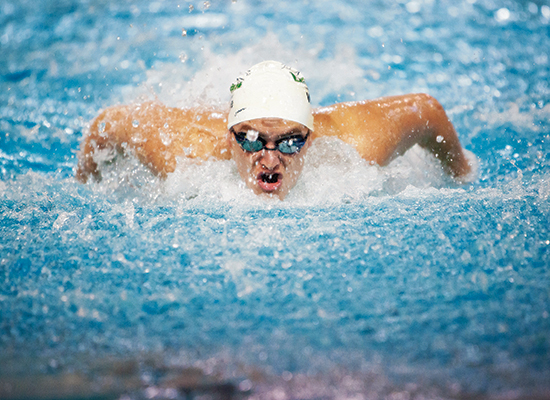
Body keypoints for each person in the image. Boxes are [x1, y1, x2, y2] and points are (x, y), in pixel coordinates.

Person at [76, 60, 475, 199]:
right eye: (249, 139)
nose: (269, 159)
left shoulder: (357, 147)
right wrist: (84, 187)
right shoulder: (183, 151)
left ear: (311, 136)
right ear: (228, 136)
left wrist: (461, 176)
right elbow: (109, 123)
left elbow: (427, 109)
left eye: (289, 141)